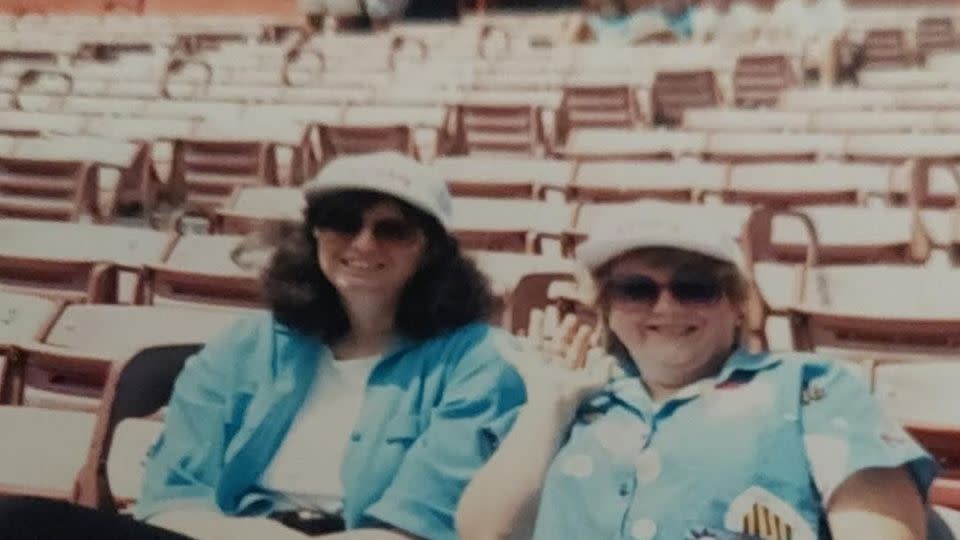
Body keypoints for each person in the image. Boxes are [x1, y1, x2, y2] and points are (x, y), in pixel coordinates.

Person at [0, 152, 524, 540]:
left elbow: (418, 522)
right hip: (228, 535)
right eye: (341, 222)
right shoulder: (246, 344)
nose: (363, 244)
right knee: (20, 522)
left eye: (393, 230)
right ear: (314, 234)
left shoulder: (476, 362)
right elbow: (172, 495)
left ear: (431, 251)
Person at [456, 201, 937, 540]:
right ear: (608, 309)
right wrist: (548, 404)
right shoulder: (573, 400)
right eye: (636, 290)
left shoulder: (811, 388)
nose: (666, 307)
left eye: (694, 287)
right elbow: (485, 532)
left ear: (735, 305)